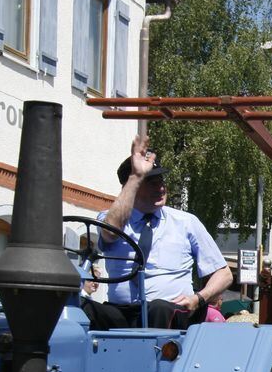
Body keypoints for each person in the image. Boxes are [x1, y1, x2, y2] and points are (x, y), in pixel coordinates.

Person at [95, 137, 233, 329]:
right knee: (84, 309)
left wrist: (198, 298)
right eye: (151, 182)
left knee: (158, 309)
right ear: (130, 186)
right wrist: (136, 176)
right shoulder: (110, 218)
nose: (160, 187)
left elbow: (224, 274)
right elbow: (110, 234)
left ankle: (154, 358)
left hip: (171, 310)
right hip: (122, 311)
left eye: (161, 181)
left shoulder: (186, 222)